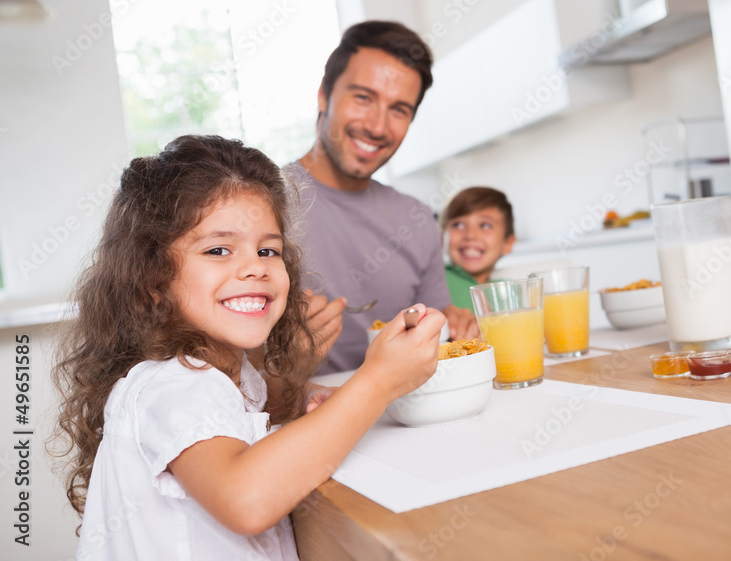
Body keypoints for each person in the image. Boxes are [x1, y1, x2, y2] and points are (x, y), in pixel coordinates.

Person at [51, 135, 441, 559]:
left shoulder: (229, 373)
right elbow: (247, 500)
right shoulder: (169, 384)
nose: (255, 266)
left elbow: (262, 404)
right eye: (218, 249)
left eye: (267, 250)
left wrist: (312, 399)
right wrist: (378, 380)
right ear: (153, 281)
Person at [288, 20, 478, 374]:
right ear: (324, 95)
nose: (377, 127)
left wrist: (455, 322)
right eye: (363, 97)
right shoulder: (261, 204)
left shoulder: (418, 220)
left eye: (398, 110)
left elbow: (437, 332)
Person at [441, 186, 517, 310]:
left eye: (485, 225)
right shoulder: (435, 281)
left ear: (508, 243)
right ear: (441, 239)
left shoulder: (509, 290)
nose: (470, 235)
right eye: (458, 225)